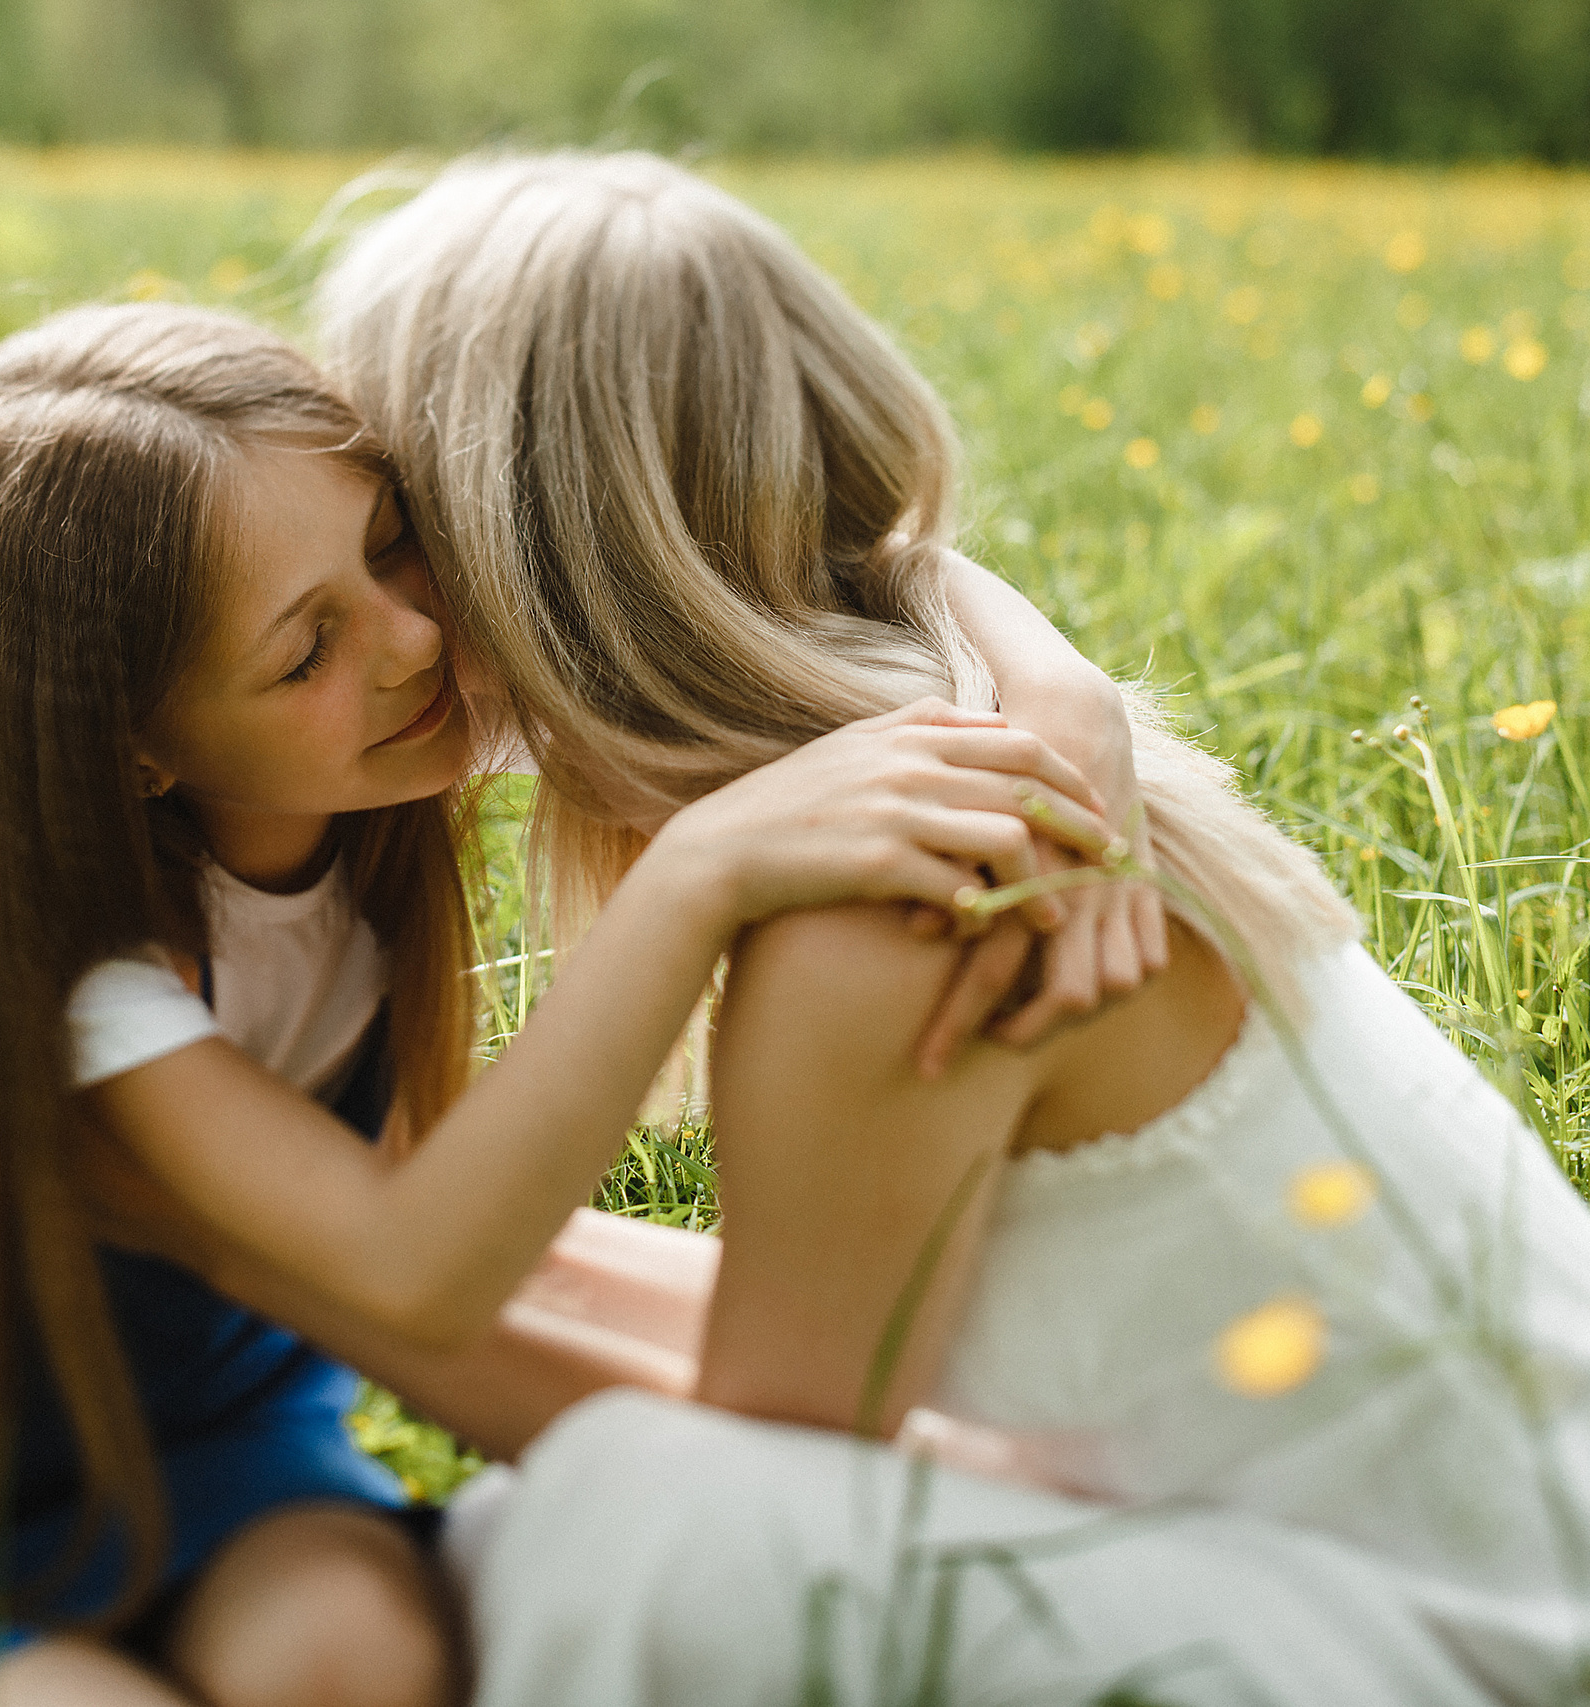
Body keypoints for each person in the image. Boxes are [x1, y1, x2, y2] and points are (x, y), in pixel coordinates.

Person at [0, 300, 1127, 1707]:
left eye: (391, 545)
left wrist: (1060, 687)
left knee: (356, 1662)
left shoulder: (353, 761)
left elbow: (814, 567)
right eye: (302, 649)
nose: (404, 638)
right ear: (133, 741)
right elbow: (419, 1269)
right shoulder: (92, 1001)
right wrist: (695, 883)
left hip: (234, 1464)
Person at [317, 149, 1590, 1702]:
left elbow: (766, 1492)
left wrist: (276, 1265)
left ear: (511, 553)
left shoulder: (892, 906)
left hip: (1459, 1651)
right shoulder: (954, 726)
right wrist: (372, 1227)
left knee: (615, 1528)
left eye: (391, 530)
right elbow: (799, 1338)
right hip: (1411, 1579)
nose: (369, 594)